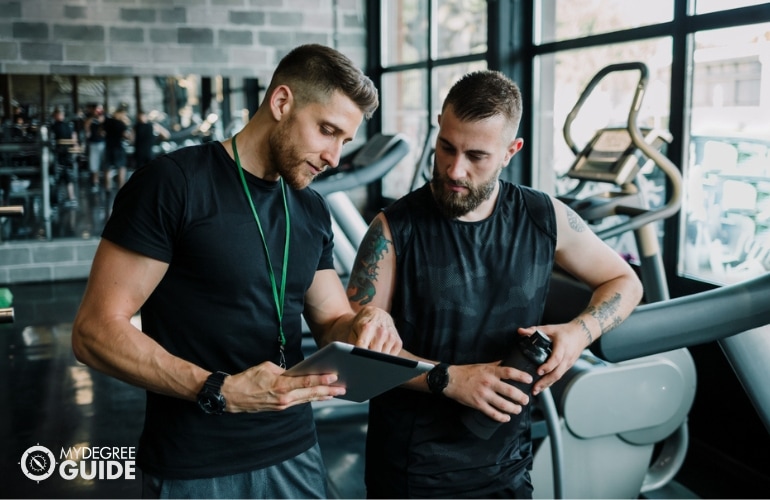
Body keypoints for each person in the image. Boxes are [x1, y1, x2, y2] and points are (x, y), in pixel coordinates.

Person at [72, 43, 402, 499]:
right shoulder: (174, 184)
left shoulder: (309, 209)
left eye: (344, 141)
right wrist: (219, 389)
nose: (333, 157)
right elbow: (94, 331)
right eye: (327, 131)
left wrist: (366, 322)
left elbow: (330, 321)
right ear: (282, 102)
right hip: (196, 464)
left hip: (295, 451)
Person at [346, 70, 644, 498]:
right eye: (446, 147)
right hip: (413, 472)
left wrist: (580, 333)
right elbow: (358, 361)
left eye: (476, 156)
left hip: (506, 467)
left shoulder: (545, 217)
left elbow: (624, 281)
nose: (454, 168)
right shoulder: (393, 230)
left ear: (510, 151)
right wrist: (449, 379)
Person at [49, 108, 78, 206]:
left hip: (58, 156)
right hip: (68, 155)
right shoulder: (68, 126)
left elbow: (51, 141)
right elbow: (74, 138)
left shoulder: (54, 127)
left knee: (56, 178)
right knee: (68, 177)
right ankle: (71, 198)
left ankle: (55, 202)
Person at [102, 106, 132, 191]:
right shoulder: (121, 124)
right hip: (118, 148)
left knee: (107, 168)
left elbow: (101, 133)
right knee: (121, 168)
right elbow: (126, 136)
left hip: (108, 147)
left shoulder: (107, 122)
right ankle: (121, 188)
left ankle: (108, 188)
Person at [84, 104, 105, 192]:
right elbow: (86, 127)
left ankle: (104, 182)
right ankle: (95, 182)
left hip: (102, 143)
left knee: (103, 163)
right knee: (94, 164)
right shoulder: (89, 118)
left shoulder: (104, 118)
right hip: (93, 143)